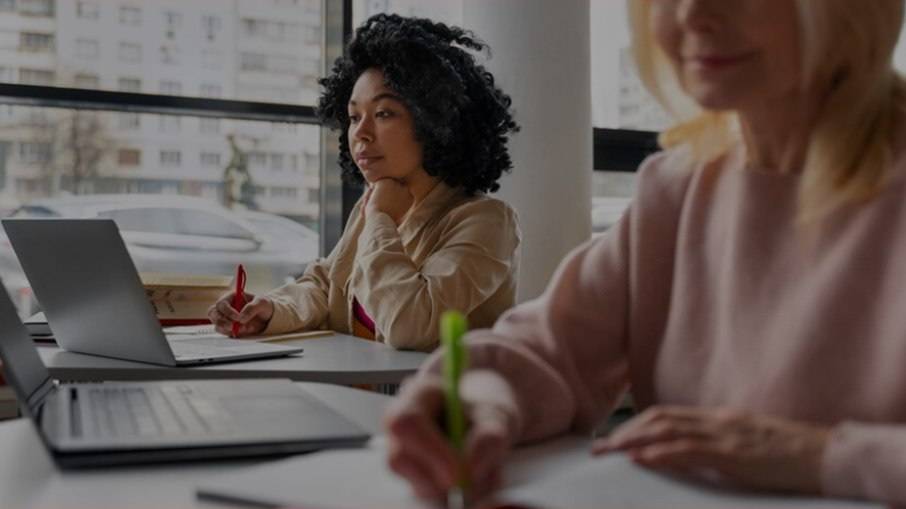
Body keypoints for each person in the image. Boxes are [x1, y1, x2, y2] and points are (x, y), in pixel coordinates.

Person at [384, 0, 906, 505]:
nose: (692, 14)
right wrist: (480, 401)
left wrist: (823, 457)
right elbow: (548, 351)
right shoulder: (677, 188)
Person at [208, 14, 521, 352]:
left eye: (384, 113)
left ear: (435, 122)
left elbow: (409, 324)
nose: (360, 133)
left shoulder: (486, 221)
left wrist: (381, 221)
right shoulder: (374, 205)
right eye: (355, 116)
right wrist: (271, 310)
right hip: (360, 398)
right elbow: (327, 285)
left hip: (440, 404)